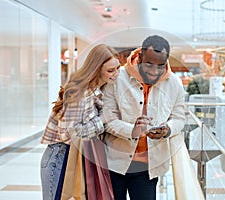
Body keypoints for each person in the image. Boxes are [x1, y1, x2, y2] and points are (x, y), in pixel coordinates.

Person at [102, 35, 186, 200]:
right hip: (114, 163)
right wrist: (132, 130)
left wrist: (167, 129)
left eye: (160, 66)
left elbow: (179, 118)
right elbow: (108, 119)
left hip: (148, 167)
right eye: (149, 64)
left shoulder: (174, 84)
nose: (154, 71)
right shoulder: (118, 78)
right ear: (140, 57)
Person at [40, 44, 120, 200]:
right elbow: (68, 135)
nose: (116, 74)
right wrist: (102, 120)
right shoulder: (80, 92)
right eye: (110, 71)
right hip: (61, 158)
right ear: (96, 69)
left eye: (118, 68)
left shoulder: (99, 90)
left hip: (80, 156)